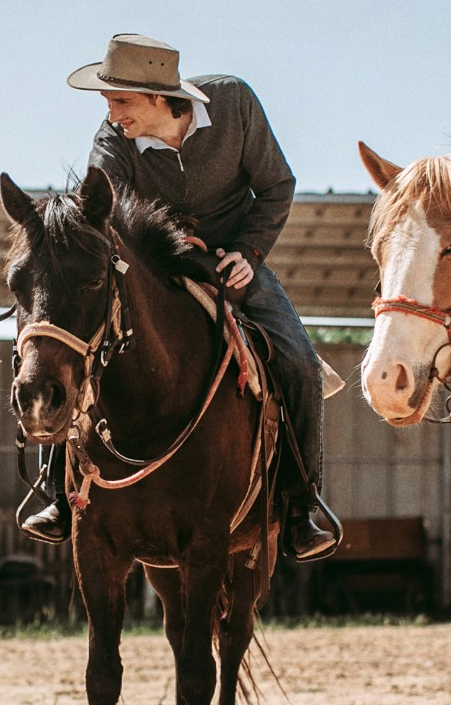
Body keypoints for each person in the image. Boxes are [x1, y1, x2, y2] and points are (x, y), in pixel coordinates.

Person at [21, 32, 341, 562]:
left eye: (120, 100)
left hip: (236, 263)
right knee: (80, 342)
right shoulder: (113, 139)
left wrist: (248, 252)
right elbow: (92, 213)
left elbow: (277, 186)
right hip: (158, 266)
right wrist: (165, 237)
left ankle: (302, 505)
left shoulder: (235, 102)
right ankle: (56, 494)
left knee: (301, 362)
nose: (111, 112)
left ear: (156, 96)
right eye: (107, 101)